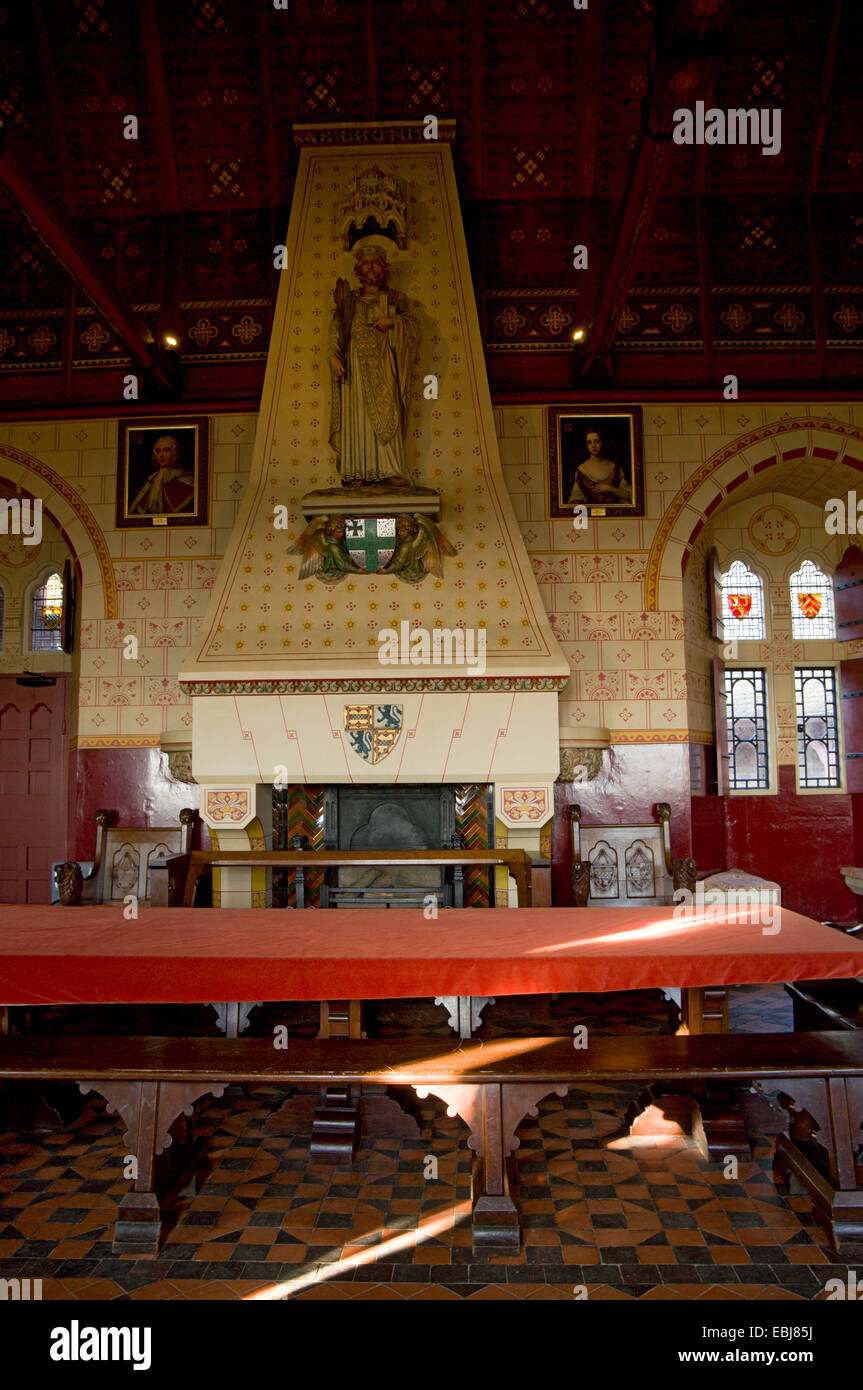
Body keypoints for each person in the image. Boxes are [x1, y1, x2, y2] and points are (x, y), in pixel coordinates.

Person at [327, 243, 418, 486]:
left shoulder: (396, 298)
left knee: (389, 413)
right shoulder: (349, 300)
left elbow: (412, 329)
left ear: (383, 268)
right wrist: (334, 357)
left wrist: (394, 322)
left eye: (375, 262)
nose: (370, 267)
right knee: (357, 418)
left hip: (385, 365)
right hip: (354, 368)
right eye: (365, 262)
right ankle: (357, 472)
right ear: (358, 268)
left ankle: (392, 470)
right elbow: (335, 332)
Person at [129, 435, 195, 515]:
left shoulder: (185, 480)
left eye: (166, 451)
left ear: (175, 453)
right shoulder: (151, 480)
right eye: (158, 451)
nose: (161, 455)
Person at [566, 428, 632, 505]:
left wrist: (609, 488)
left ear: (603, 442)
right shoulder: (581, 469)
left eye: (597, 441)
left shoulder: (615, 468)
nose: (593, 446)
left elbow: (628, 495)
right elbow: (576, 496)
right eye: (589, 442)